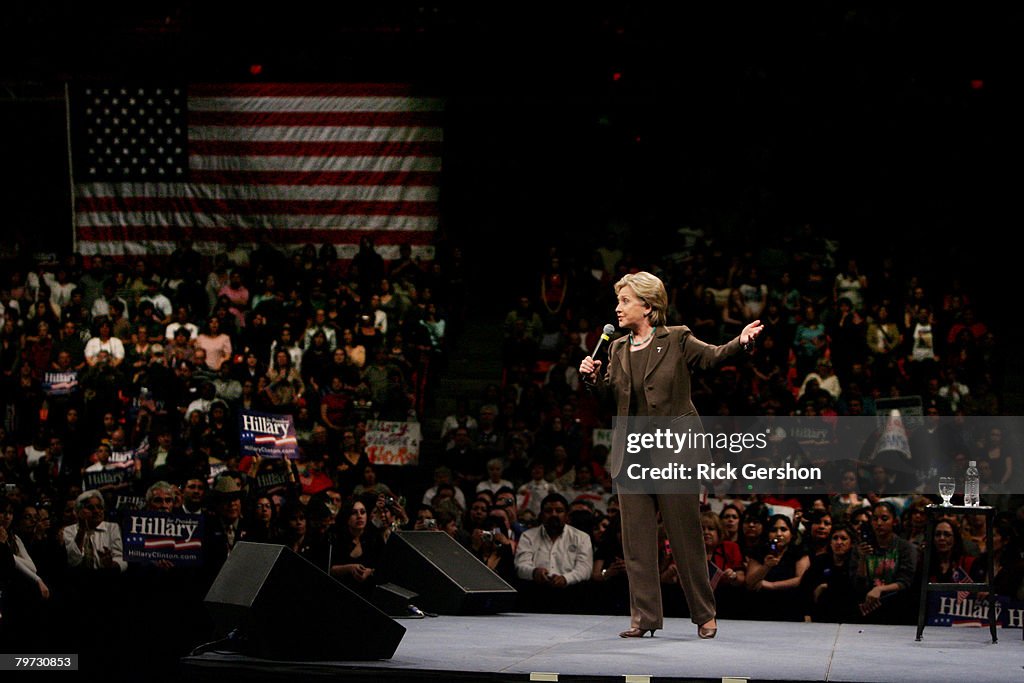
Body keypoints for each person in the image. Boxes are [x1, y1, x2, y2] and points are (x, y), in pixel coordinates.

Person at [579, 271, 762, 639]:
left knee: (686, 539)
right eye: (618, 301)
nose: (618, 308)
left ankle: (704, 614)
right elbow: (610, 400)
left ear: (648, 306)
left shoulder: (676, 338)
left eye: (625, 301)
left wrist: (740, 342)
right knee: (637, 545)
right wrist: (593, 380)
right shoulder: (616, 348)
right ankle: (644, 618)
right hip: (632, 458)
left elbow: (712, 357)